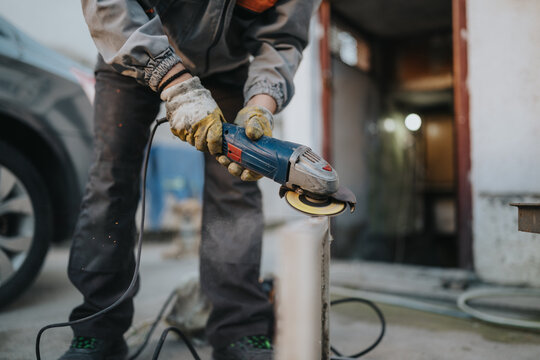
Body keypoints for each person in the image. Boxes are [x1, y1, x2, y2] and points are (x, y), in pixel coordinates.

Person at [60, 0, 318, 359]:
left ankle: (239, 330)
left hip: (227, 70)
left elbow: (283, 38)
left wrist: (261, 103)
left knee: (235, 192)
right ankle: (97, 327)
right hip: (133, 49)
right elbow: (109, 4)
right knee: (110, 181)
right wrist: (176, 85)